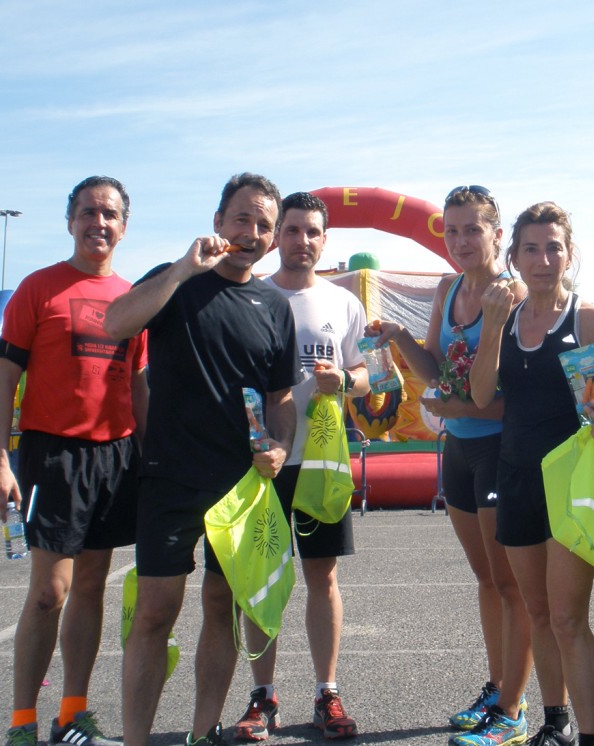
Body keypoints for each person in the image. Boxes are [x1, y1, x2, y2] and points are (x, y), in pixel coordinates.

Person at [105, 173, 303, 746]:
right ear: (218, 221)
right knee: (154, 614)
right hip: (168, 478)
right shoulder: (177, 279)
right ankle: (137, 740)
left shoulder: (272, 306)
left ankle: (202, 733)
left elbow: (281, 398)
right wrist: (182, 269)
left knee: (222, 610)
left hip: (237, 486)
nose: (253, 232)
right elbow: (116, 322)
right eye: (242, 218)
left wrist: (281, 444)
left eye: (264, 225)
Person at [0, 176, 149, 746]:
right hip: (52, 454)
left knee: (92, 586)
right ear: (70, 221)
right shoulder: (39, 288)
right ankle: (22, 723)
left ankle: (72, 714)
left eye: (109, 214)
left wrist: (147, 457)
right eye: (87, 212)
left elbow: (140, 387)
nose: (97, 223)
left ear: (123, 227)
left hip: (115, 455)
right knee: (48, 591)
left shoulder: (133, 297)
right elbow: (4, 378)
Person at [366, 185, 532, 745]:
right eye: (452, 231)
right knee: (486, 579)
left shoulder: (515, 295)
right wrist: (398, 337)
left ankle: (512, 711)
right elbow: (434, 369)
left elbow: (529, 397)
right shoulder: (448, 287)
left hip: (502, 448)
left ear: (496, 234)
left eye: (472, 230)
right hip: (458, 448)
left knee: (512, 585)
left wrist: (457, 407)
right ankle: (497, 687)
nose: (460, 241)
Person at [471, 202, 594, 746]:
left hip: (573, 483)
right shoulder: (506, 316)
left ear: (569, 253)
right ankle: (553, 723)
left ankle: (589, 737)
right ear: (513, 257)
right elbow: (484, 394)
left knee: (567, 620)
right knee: (536, 611)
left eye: (553, 247)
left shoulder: (590, 321)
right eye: (531, 248)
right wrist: (490, 327)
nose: (543, 259)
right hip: (515, 477)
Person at [232, 191, 369, 742]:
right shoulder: (251, 295)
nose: (302, 241)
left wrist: (348, 382)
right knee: (261, 582)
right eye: (292, 231)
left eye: (313, 232)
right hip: (263, 461)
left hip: (322, 461)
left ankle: (326, 692)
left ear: (324, 239)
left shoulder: (343, 303)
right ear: (277, 235)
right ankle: (262, 698)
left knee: (323, 576)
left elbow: (369, 377)